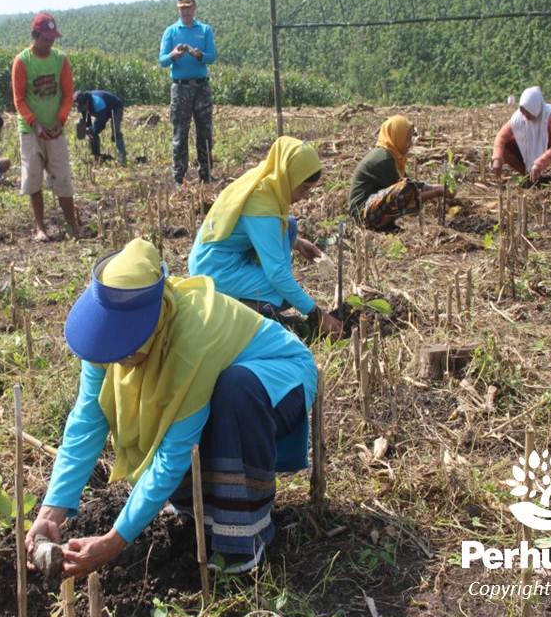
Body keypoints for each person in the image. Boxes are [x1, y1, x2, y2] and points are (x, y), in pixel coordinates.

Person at [26, 238, 318, 578]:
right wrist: (51, 512)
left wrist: (113, 542)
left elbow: (174, 453)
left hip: (279, 379)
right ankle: (198, 512)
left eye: (126, 349)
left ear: (151, 328)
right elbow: (86, 422)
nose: (118, 359)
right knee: (209, 399)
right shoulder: (105, 338)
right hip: (223, 383)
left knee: (232, 390)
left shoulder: (190, 340)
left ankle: (242, 538)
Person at [188, 137, 343, 338]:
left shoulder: (267, 178)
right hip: (214, 269)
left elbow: (253, 229)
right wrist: (318, 314)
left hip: (216, 256)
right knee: (282, 292)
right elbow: (277, 274)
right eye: (304, 188)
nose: (305, 196)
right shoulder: (261, 206)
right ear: (290, 177)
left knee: (290, 226)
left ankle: (250, 303)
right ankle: (237, 314)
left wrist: (297, 243)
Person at [11, 12, 79, 240]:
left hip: (55, 127)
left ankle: (73, 226)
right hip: (30, 130)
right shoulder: (22, 62)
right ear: (35, 35)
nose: (50, 42)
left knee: (62, 177)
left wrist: (60, 120)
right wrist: (35, 124)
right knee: (33, 177)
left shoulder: (61, 60)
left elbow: (68, 94)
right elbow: (19, 99)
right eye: (45, 38)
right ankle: (40, 228)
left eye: (52, 38)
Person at [348, 115, 446, 231]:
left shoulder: (391, 155)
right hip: (363, 215)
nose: (410, 143)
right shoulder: (384, 160)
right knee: (404, 191)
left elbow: (411, 185)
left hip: (371, 209)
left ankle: (387, 227)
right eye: (407, 139)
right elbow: (406, 193)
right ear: (396, 137)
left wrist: (436, 187)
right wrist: (437, 192)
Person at [158, 0, 216, 186]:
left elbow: (212, 57)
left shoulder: (205, 29)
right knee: (180, 133)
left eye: (188, 7)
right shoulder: (171, 31)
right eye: (182, 8)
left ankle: (206, 175)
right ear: (178, 9)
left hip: (201, 88)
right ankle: (179, 177)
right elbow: (162, 61)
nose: (185, 12)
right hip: (180, 89)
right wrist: (173, 55)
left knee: (205, 133)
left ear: (194, 7)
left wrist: (200, 55)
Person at [492, 87, 551, 184]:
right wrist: (497, 159)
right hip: (529, 145)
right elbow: (501, 137)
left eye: (528, 111)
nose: (525, 115)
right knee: (504, 150)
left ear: (535, 108)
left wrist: (539, 164)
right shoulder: (518, 118)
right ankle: (529, 176)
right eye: (523, 111)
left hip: (550, 145)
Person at [73, 90, 127, 166]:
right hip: (103, 110)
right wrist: (89, 131)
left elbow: (101, 124)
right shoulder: (83, 106)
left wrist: (91, 130)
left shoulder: (98, 103)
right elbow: (87, 122)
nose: (83, 110)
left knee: (115, 131)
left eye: (83, 107)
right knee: (92, 134)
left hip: (115, 107)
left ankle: (123, 159)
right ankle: (96, 157)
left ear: (87, 102)